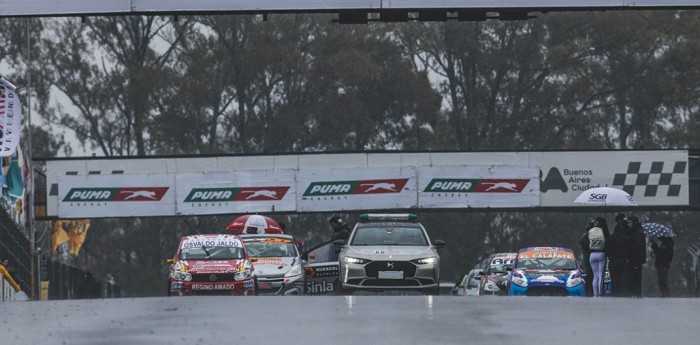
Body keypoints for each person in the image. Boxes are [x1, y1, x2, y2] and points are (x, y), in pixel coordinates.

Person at [607, 213, 633, 297]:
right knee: (623, 280)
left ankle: (615, 294)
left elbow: (607, 250)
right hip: (623, 260)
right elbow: (629, 249)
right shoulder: (626, 238)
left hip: (613, 261)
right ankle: (622, 295)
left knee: (614, 280)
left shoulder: (611, 238)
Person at [587, 217, 609, 297]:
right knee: (600, 275)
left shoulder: (590, 231)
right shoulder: (603, 231)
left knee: (595, 276)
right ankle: (600, 293)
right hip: (601, 253)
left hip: (592, 254)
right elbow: (607, 241)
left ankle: (595, 294)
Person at [626, 216, 647, 297]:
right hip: (636, 258)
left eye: (629, 223)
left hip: (636, 259)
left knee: (635, 277)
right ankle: (635, 293)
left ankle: (636, 293)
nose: (628, 225)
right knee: (634, 276)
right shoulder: (637, 231)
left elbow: (635, 246)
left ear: (634, 223)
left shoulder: (637, 232)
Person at [579, 218, 595, 297]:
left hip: (590, 259)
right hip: (588, 260)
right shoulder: (585, 238)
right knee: (590, 276)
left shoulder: (587, 237)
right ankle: (589, 292)